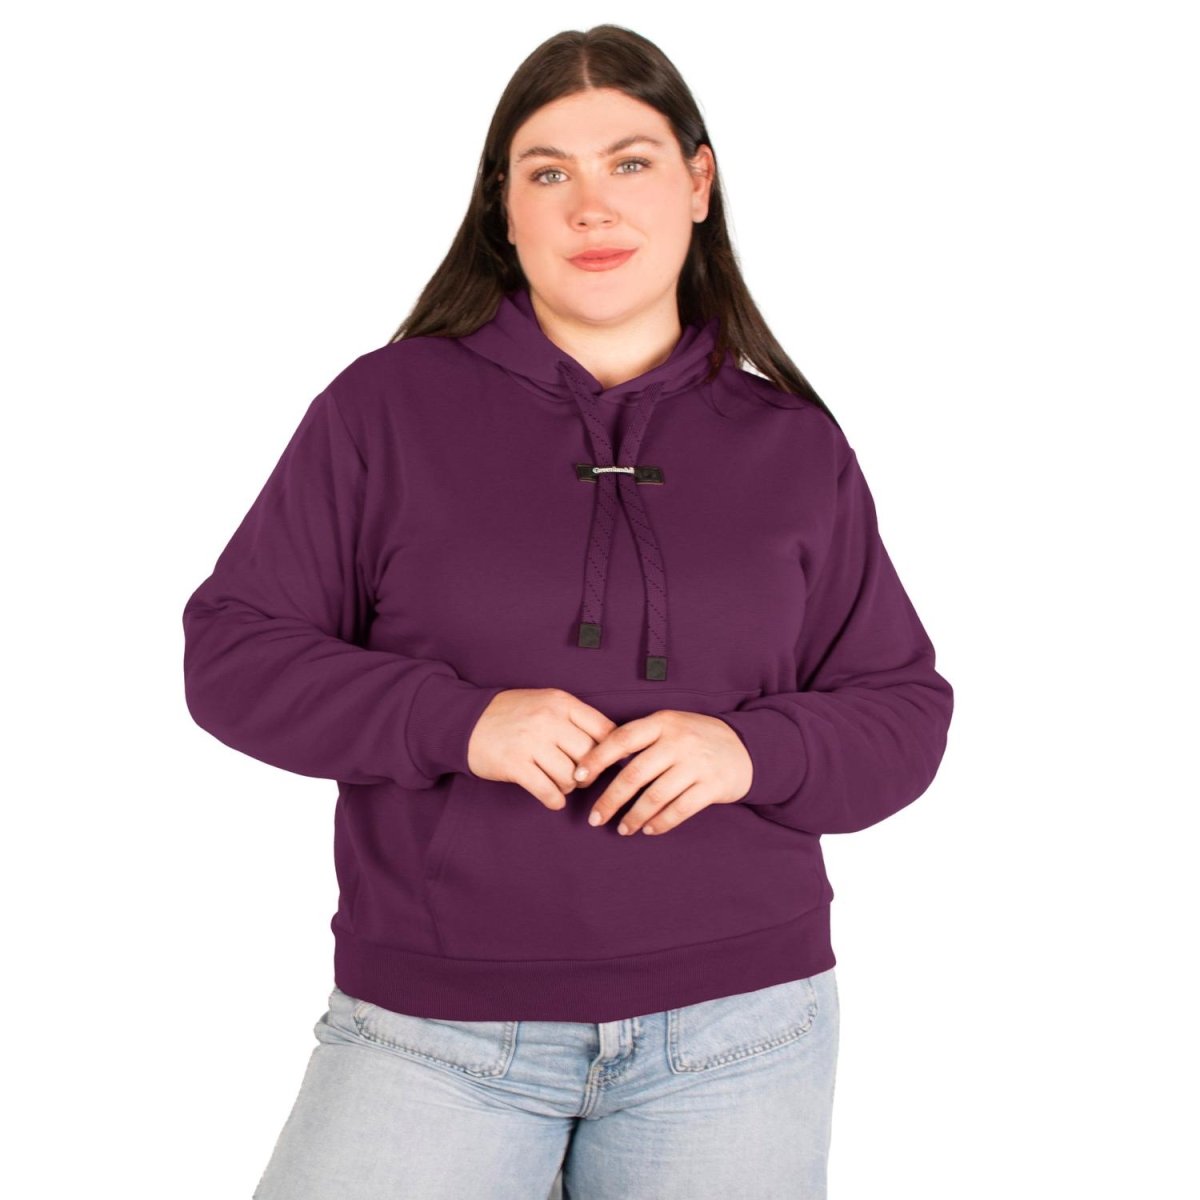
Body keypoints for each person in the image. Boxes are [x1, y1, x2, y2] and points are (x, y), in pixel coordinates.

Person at [181, 23, 954, 1200]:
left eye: (630, 162)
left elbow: (902, 709)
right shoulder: (383, 410)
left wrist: (752, 751)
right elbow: (234, 655)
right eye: (550, 172)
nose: (592, 206)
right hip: (434, 1032)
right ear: (504, 207)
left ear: (698, 182)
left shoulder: (796, 445)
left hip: (740, 1032)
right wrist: (459, 722)